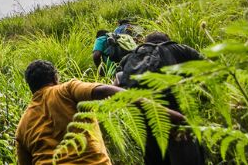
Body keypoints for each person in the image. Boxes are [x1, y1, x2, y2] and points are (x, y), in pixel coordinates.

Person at [15, 60, 185, 165]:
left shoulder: (22, 126)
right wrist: (169, 114)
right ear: (55, 78)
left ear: (31, 88)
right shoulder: (65, 90)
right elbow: (104, 91)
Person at [116, 32, 204, 165]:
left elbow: (117, 85)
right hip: (178, 116)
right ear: (168, 40)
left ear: (145, 42)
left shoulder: (130, 56)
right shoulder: (180, 49)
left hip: (146, 120)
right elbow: (208, 70)